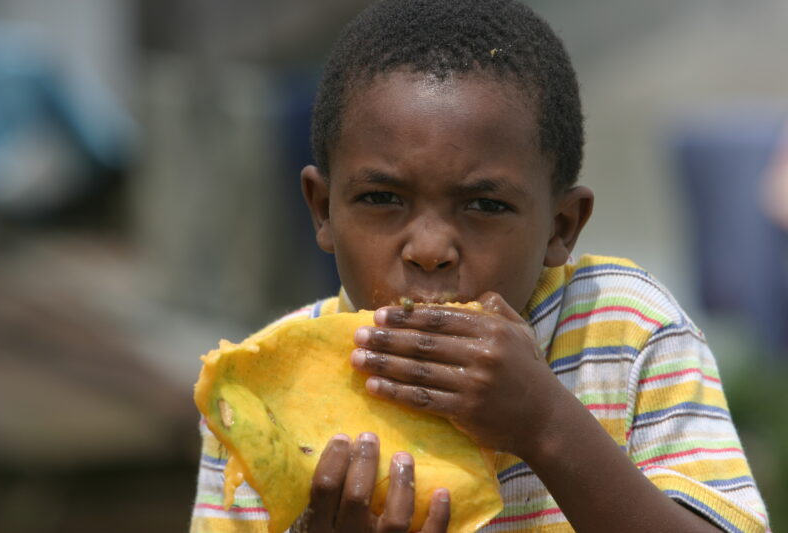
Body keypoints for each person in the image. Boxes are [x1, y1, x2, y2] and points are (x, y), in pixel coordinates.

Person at [191, 0, 770, 531]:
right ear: (323, 210)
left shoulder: (626, 332)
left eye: (485, 206)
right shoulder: (259, 386)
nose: (429, 249)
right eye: (382, 198)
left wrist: (544, 424)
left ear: (561, 227)